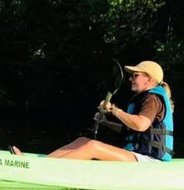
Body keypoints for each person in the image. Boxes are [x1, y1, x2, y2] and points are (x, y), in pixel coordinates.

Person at [45, 60, 174, 162]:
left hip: (149, 160)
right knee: (82, 141)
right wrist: (106, 122)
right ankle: (45, 162)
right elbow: (130, 130)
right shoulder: (143, 98)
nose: (131, 79)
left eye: (135, 76)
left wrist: (114, 110)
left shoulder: (152, 99)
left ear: (149, 79)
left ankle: (47, 170)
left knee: (93, 146)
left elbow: (140, 125)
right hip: (137, 155)